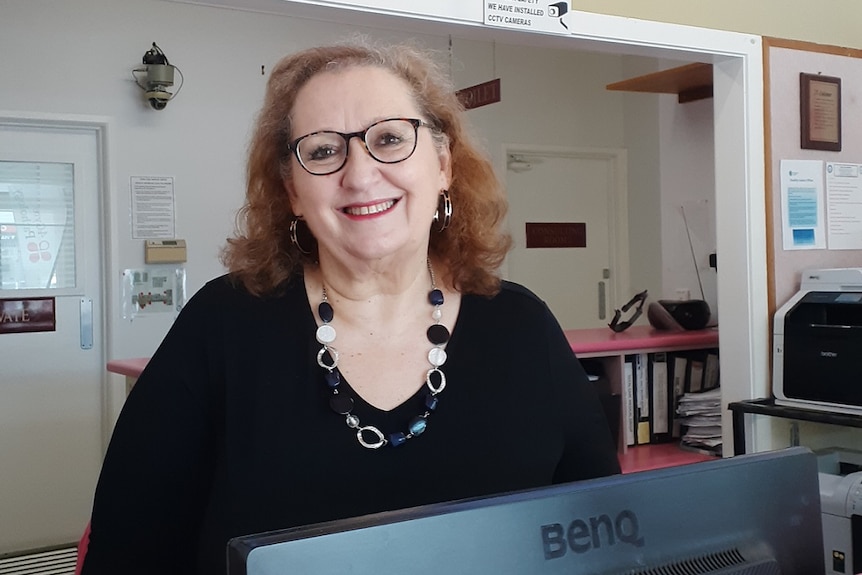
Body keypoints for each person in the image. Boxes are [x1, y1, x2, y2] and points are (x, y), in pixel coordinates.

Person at [81, 38, 620, 575]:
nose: (360, 174)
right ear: (292, 192)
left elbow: (608, 532)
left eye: (388, 138)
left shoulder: (521, 326)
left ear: (442, 165)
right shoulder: (220, 326)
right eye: (322, 150)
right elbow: (126, 552)